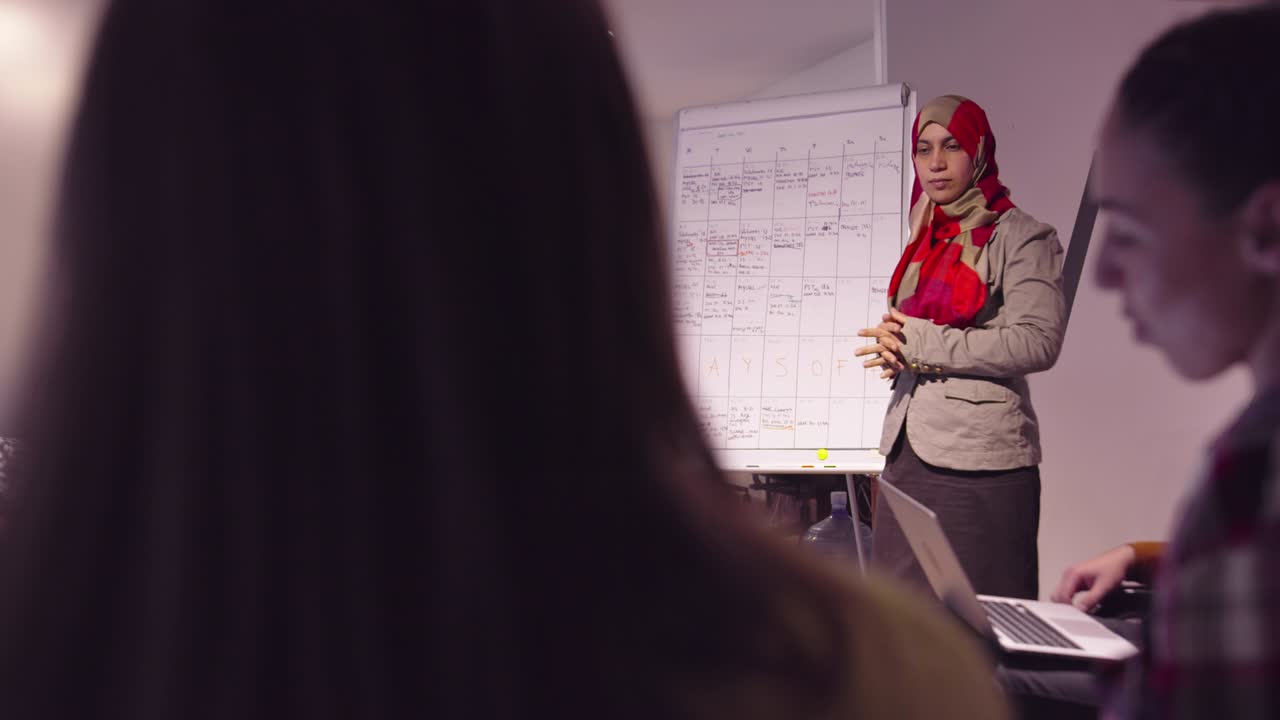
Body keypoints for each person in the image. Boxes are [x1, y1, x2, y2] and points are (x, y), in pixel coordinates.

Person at [0, 1, 1007, 717]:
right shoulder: (855, 677)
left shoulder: (59, 647)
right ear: (597, 222)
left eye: (943, 150)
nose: (930, 163)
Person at [1023, 5, 1280, 718]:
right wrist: (1143, 556)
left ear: (1266, 230)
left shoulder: (1252, 479)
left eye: (1130, 231)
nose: (1105, 274)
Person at [857, 96, 1066, 599]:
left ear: (978, 151)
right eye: (923, 149)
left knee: (979, 621)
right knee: (903, 620)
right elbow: (924, 333)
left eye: (951, 146)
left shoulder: (1022, 236)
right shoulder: (926, 235)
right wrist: (897, 351)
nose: (935, 162)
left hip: (980, 459)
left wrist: (919, 342)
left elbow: (1037, 341)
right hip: (908, 451)